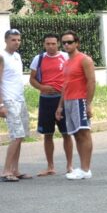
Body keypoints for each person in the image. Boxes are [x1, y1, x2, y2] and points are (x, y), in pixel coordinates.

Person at [29, 33, 73, 176]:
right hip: (46, 100)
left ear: (58, 44)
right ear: (44, 44)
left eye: (53, 43)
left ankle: (69, 166)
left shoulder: (65, 57)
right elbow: (32, 79)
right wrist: (41, 87)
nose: (51, 46)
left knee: (66, 133)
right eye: (48, 44)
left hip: (63, 99)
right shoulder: (38, 59)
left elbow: (72, 76)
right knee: (48, 134)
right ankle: (50, 166)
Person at [55, 30, 96, 180]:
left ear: (77, 43)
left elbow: (91, 81)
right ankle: (82, 168)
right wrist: (60, 106)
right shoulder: (66, 62)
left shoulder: (84, 59)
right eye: (64, 42)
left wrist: (88, 103)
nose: (66, 45)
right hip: (69, 102)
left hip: (80, 100)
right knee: (77, 134)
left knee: (84, 133)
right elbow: (65, 85)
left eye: (70, 42)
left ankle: (86, 169)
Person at [0, 28, 31, 182]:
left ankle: (15, 170)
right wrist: (0, 105)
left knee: (22, 135)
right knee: (16, 135)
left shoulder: (17, 56)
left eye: (18, 40)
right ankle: (6, 171)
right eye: (13, 40)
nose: (16, 43)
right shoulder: (2, 57)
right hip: (9, 101)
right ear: (6, 40)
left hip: (20, 100)